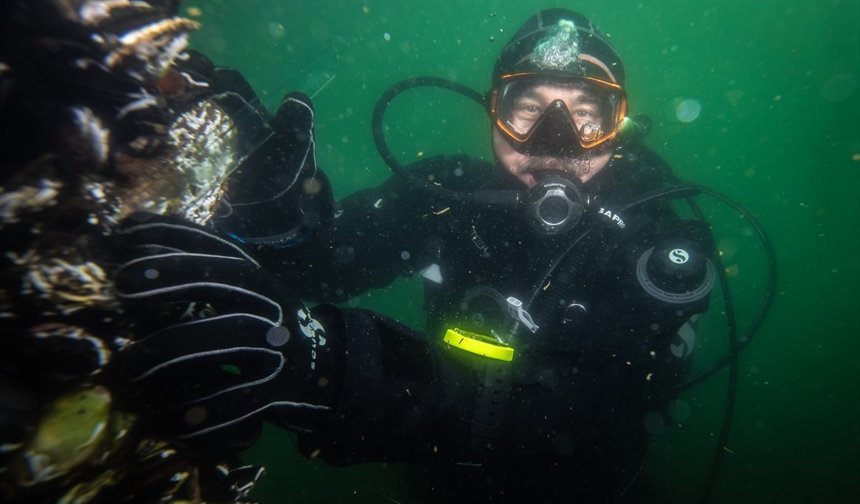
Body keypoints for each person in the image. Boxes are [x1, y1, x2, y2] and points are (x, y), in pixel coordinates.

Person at [114, 9, 716, 503]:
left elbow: (595, 415)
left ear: (618, 125)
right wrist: (280, 220)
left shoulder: (656, 242)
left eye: (586, 115)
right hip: (440, 485)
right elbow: (322, 262)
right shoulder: (442, 196)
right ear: (492, 113)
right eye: (527, 109)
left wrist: (341, 377)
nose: (555, 142)